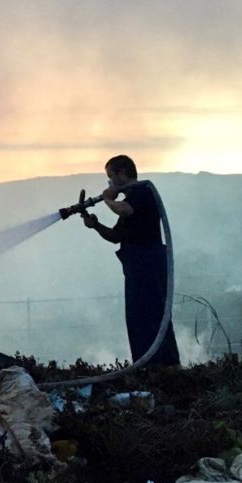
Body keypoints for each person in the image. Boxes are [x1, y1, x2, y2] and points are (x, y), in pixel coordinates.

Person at [80, 155, 180, 367]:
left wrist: (108, 199)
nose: (109, 183)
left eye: (110, 177)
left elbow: (125, 209)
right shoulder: (129, 201)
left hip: (148, 264)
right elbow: (116, 236)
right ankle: (146, 365)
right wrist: (95, 225)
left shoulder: (143, 192)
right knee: (138, 318)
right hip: (136, 266)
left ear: (122, 173)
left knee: (152, 314)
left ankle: (163, 366)